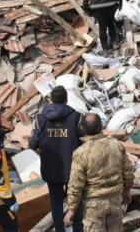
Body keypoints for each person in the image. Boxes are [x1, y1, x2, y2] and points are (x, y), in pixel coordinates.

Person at [64, 113, 134, 231]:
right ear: (101, 127)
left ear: (82, 129)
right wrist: (127, 190)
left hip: (93, 205)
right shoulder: (116, 145)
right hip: (115, 200)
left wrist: (72, 209)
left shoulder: (81, 153)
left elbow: (76, 184)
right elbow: (128, 170)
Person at [28, 86, 84, 232]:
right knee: (76, 202)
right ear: (66, 99)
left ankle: (60, 230)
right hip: (73, 169)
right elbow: (85, 141)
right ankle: (78, 229)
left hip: (51, 168)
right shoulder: (76, 117)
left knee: (56, 204)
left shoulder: (41, 119)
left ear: (51, 100)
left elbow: (33, 143)